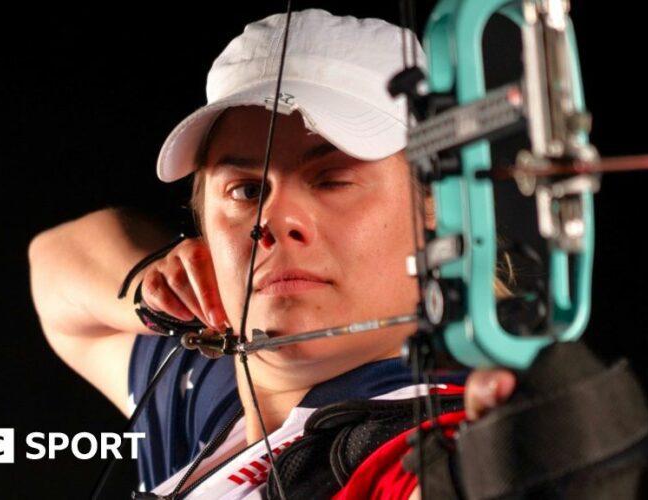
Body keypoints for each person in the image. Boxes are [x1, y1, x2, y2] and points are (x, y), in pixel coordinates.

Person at [29, 8, 516, 498]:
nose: (274, 221)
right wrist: (155, 291)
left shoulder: (443, 442)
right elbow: (53, 266)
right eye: (245, 190)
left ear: (439, 208)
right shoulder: (207, 394)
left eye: (332, 180)